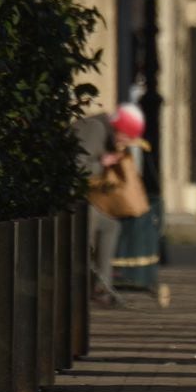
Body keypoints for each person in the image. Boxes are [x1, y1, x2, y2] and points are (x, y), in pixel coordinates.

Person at [73, 103, 147, 308]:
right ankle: (91, 288)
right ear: (119, 128)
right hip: (74, 199)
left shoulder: (105, 133)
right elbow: (77, 167)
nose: (124, 142)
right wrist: (102, 163)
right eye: (125, 137)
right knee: (96, 223)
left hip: (86, 197)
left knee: (111, 225)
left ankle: (100, 287)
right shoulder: (94, 129)